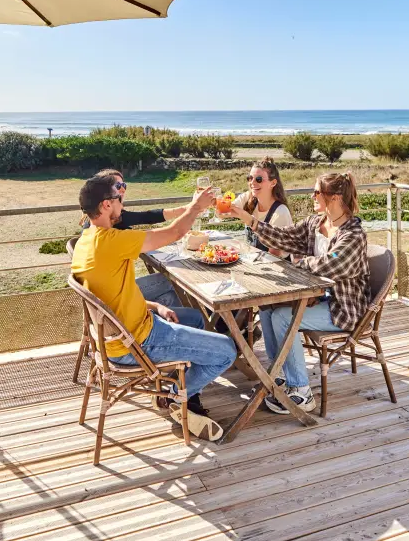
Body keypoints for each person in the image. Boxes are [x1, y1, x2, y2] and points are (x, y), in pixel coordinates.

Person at [72, 174, 237, 440]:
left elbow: (109, 297)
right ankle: (175, 396)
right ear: (106, 205)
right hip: (138, 343)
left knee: (195, 319)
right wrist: (195, 207)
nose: (122, 204)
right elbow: (175, 233)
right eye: (118, 199)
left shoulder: (86, 241)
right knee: (227, 351)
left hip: (125, 334)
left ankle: (184, 392)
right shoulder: (111, 240)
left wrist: (154, 305)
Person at [225, 172, 369, 414]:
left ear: (334, 197)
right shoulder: (315, 224)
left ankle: (302, 391)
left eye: (316, 192)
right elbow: (283, 237)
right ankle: (278, 375)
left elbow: (330, 263)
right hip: (315, 298)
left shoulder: (353, 236)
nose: (312, 196)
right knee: (268, 308)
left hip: (342, 309)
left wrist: (296, 264)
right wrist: (249, 220)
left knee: (283, 317)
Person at [80, 168, 189, 309]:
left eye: (124, 185)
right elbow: (153, 221)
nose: (122, 189)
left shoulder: (95, 226)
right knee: (172, 279)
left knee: (170, 297)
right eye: (118, 186)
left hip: (108, 294)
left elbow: (145, 219)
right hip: (116, 297)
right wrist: (193, 208)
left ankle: (184, 318)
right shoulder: (108, 228)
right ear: (105, 199)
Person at [232, 157, 293, 256]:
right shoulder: (249, 197)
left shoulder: (280, 212)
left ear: (273, 183)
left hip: (274, 263)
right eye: (250, 178)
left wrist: (245, 216)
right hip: (253, 259)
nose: (252, 182)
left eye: (259, 179)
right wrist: (217, 204)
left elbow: (274, 255)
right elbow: (223, 213)